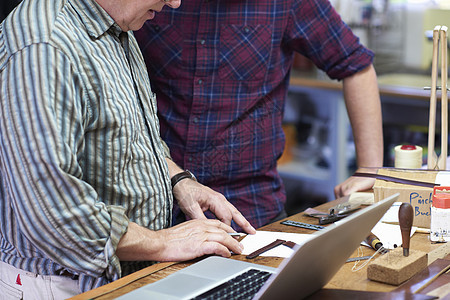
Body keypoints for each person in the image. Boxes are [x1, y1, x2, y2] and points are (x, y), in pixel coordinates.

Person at [0, 0, 256, 298]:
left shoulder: (116, 27)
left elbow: (129, 136)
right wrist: (163, 243)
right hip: (61, 285)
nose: (175, 2)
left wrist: (179, 181)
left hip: (123, 276)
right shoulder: (43, 45)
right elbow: (50, 210)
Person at [134, 0, 383, 230]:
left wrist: (370, 170)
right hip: (155, 207)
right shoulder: (152, 2)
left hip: (250, 211)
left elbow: (356, 65)